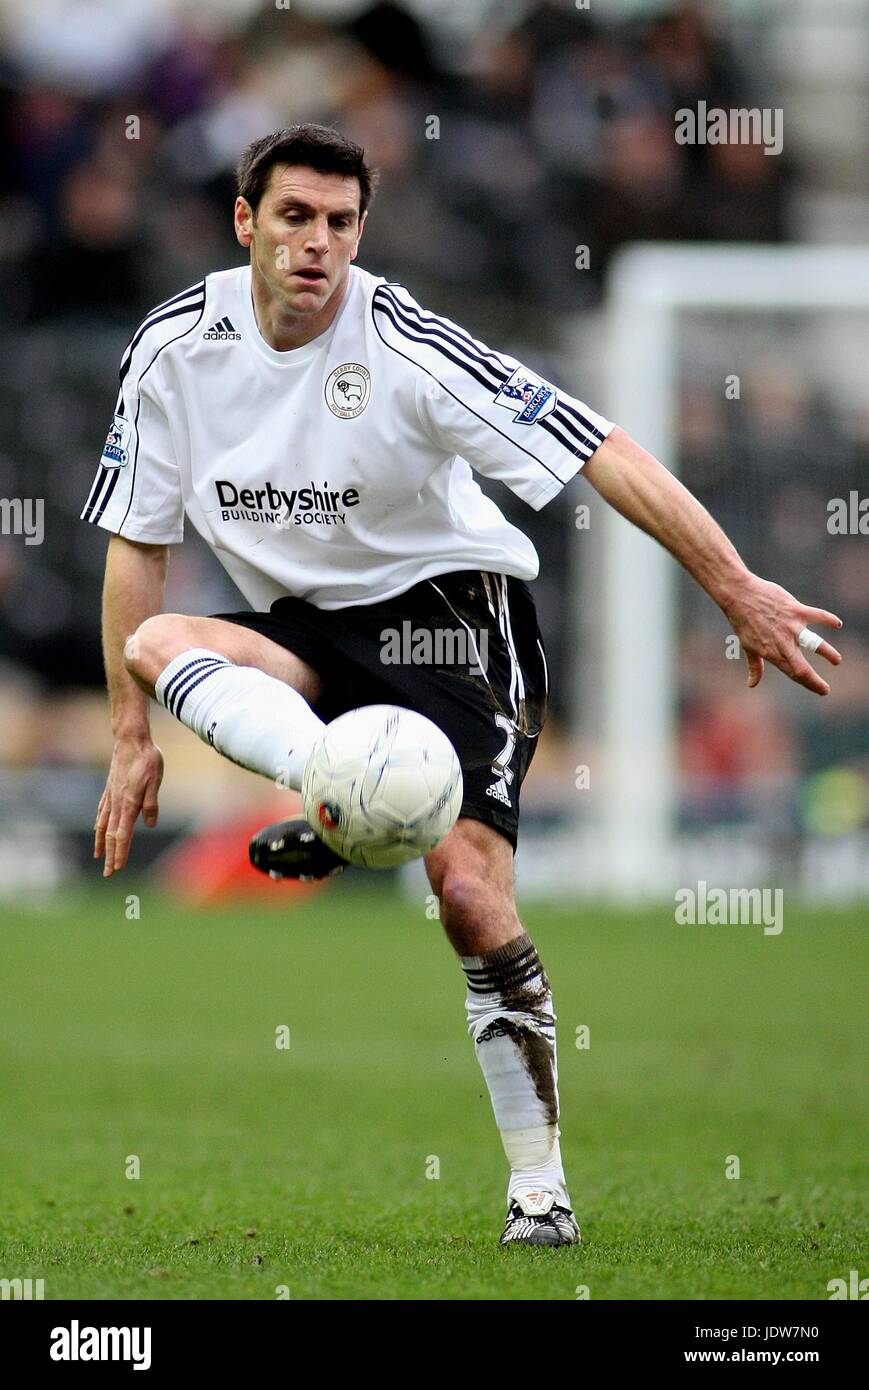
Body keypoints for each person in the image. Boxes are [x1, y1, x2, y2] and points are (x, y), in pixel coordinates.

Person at [83, 124, 842, 1247]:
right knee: (156, 646)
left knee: (470, 900)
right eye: (294, 217)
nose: (318, 245)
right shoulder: (172, 349)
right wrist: (130, 740)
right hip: (307, 632)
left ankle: (539, 1185)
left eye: (341, 223)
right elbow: (135, 547)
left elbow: (600, 447)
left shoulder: (406, 344)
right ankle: (326, 784)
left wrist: (732, 585)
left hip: (450, 618)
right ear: (245, 222)